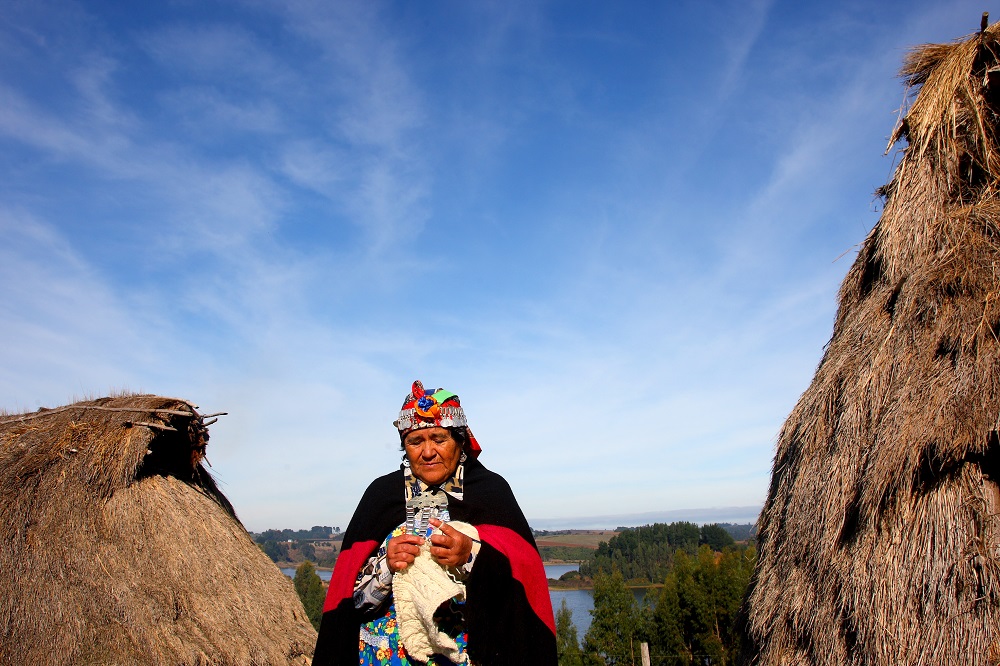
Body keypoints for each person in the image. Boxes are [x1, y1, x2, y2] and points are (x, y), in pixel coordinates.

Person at [313, 381, 557, 665]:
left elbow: (520, 588)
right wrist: (386, 567)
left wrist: (471, 555)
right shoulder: (380, 496)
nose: (428, 452)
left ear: (460, 440)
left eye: (439, 439)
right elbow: (350, 603)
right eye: (416, 441)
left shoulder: (491, 493)